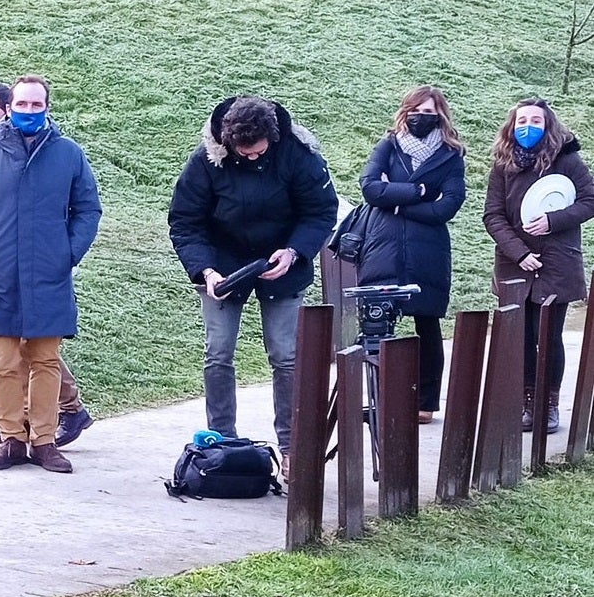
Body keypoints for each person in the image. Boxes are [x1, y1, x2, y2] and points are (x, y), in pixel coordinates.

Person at [168, 95, 338, 475]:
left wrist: (294, 252)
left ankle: (292, 449)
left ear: (272, 138)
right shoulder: (206, 160)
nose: (250, 158)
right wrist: (205, 271)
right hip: (222, 267)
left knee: (286, 356)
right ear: (228, 142)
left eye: (257, 152)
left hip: (284, 261)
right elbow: (185, 221)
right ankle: (221, 442)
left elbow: (321, 211)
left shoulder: (298, 154)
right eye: (242, 153)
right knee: (218, 353)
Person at [0, 75, 102, 474]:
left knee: (45, 360)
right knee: (2, 362)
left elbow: (87, 209)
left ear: (47, 108)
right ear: (9, 108)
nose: (29, 111)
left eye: (37, 105)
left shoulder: (69, 154)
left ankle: (45, 442)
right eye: (22, 104)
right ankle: (12, 440)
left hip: (49, 275)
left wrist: (67, 253)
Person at [481, 98, 594, 435]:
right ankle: (527, 402)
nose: (527, 127)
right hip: (515, 263)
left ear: (547, 124)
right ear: (512, 126)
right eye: (522, 121)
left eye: (535, 121)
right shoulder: (503, 163)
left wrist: (553, 220)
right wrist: (518, 253)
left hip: (556, 262)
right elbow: (493, 215)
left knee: (548, 336)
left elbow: (590, 200)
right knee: (521, 338)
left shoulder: (567, 159)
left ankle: (549, 404)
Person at [357, 87, 468, 423]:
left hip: (428, 250)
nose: (422, 116)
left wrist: (396, 203)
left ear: (440, 115)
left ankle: (426, 403)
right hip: (383, 246)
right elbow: (369, 187)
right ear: (406, 112)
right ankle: (381, 399)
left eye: (429, 111)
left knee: (428, 325)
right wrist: (419, 192)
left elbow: (448, 206)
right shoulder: (388, 144)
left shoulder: (451, 154)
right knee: (379, 324)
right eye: (416, 110)